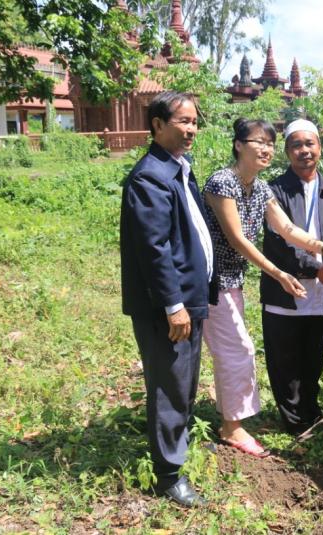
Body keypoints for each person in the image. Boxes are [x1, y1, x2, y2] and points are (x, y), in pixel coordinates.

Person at [201, 118, 323, 457]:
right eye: (260, 141)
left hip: (232, 280)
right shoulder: (223, 182)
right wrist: (280, 273)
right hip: (207, 279)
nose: (266, 148)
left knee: (236, 350)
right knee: (240, 350)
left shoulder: (261, 188)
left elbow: (288, 229)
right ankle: (233, 427)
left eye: (270, 143)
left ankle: (231, 423)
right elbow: (238, 239)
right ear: (239, 144)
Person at [120, 91, 213, 507]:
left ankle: (179, 443)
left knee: (185, 380)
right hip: (169, 305)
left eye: (195, 121)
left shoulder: (178, 169)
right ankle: (168, 475)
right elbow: (154, 248)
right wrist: (173, 305)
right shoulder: (150, 176)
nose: (191, 129)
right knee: (170, 384)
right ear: (157, 125)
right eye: (183, 121)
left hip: (190, 297)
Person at [260, 119, 323, 438]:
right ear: (287, 152)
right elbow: (279, 243)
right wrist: (316, 268)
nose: (304, 151)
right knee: (285, 360)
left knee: (313, 356)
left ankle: (310, 410)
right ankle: (294, 421)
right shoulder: (272, 191)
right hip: (285, 288)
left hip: (322, 291)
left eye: (309, 144)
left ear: (320, 149)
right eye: (296, 145)